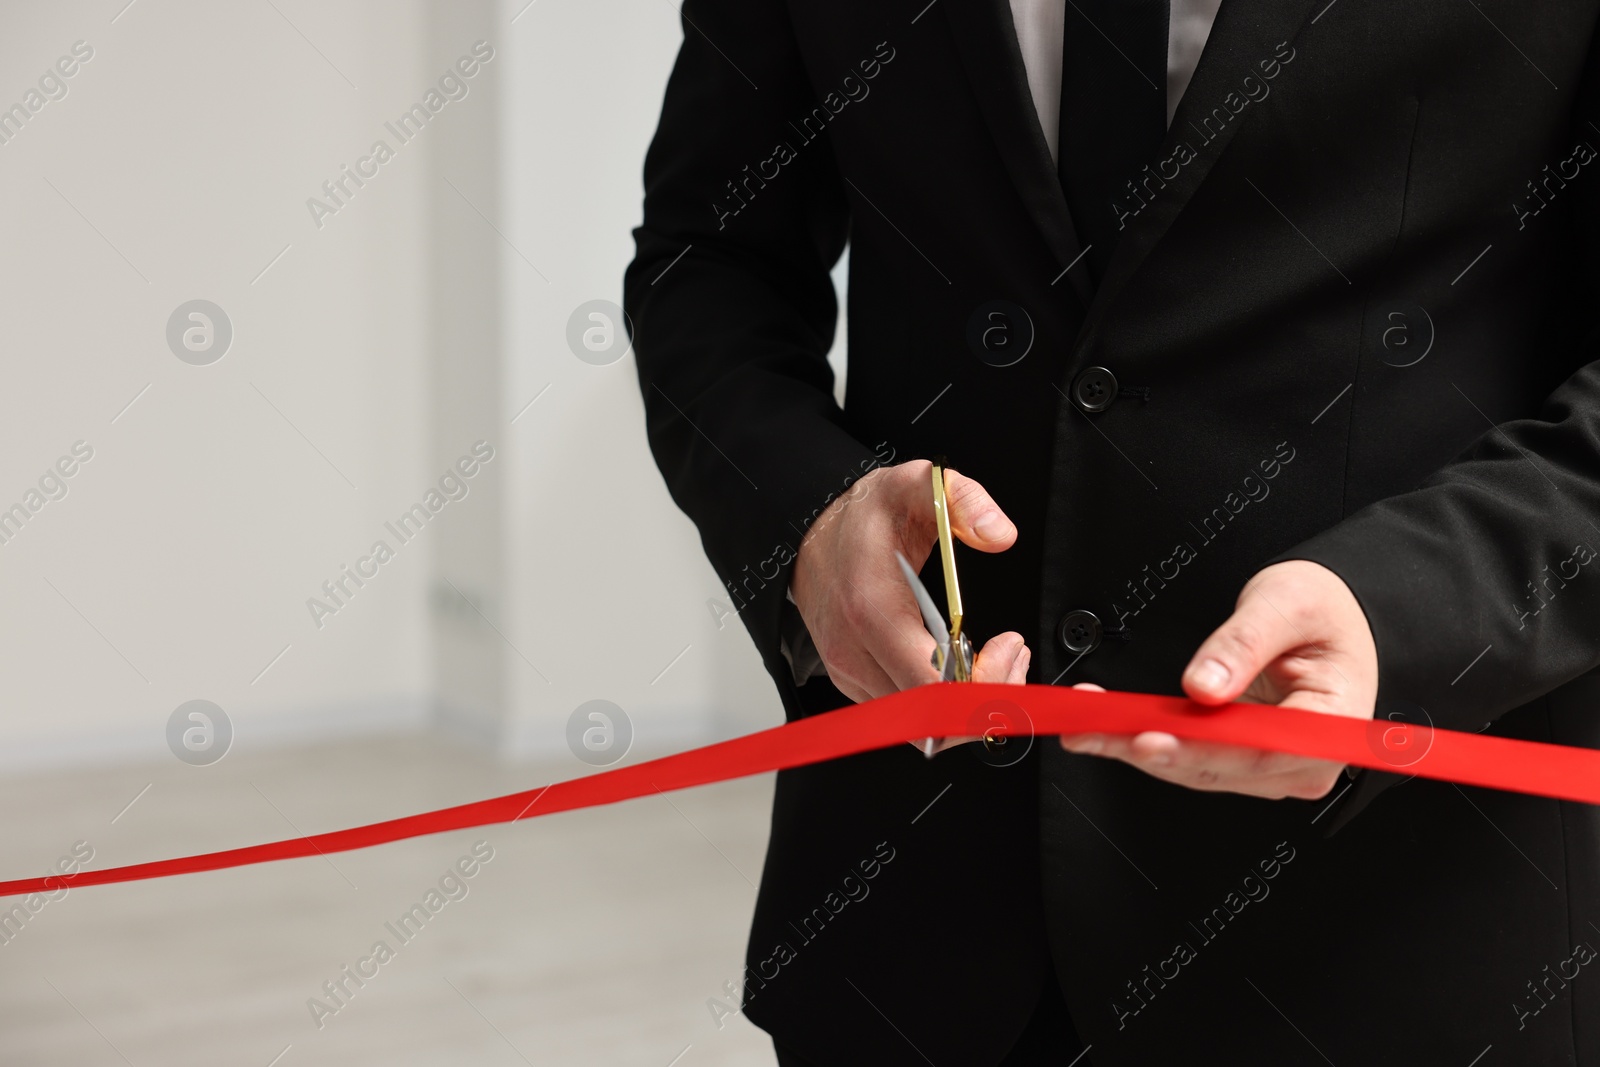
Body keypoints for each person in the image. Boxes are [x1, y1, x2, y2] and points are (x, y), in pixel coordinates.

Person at [625, 0, 1600, 1063]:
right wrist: (807, 515)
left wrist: (1406, 610)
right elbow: (708, 259)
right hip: (915, 925)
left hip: (1399, 935)